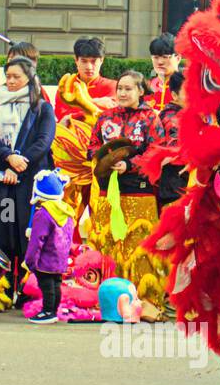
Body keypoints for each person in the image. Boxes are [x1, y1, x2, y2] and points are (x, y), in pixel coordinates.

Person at [86, 70, 168, 312]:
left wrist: (129, 164)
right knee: (107, 244)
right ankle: (105, 299)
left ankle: (143, 301)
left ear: (141, 91)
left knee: (138, 247)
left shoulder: (150, 118)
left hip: (139, 194)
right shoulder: (104, 118)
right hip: (108, 193)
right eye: (120, 88)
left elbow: (157, 151)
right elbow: (92, 147)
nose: (122, 93)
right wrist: (103, 159)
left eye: (128, 89)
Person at [0, 55, 56, 310]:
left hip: (30, 183)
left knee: (29, 235)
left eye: (17, 77)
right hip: (2, 181)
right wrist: (8, 158)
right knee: (0, 232)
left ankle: (28, 291)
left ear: (29, 78)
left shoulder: (42, 108)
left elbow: (43, 142)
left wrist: (20, 162)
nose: (11, 81)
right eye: (8, 77)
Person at [53, 36, 118, 221]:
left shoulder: (111, 86)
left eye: (94, 61)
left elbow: (108, 113)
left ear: (102, 61)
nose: (89, 66)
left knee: (101, 213)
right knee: (67, 213)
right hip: (73, 161)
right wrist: (95, 104)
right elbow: (62, 119)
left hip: (101, 159)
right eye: (84, 61)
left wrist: (80, 110)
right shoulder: (66, 88)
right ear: (76, 61)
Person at [23, 169, 76, 325]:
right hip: (60, 257)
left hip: (45, 257)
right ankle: (53, 310)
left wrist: (30, 260)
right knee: (56, 284)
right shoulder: (67, 212)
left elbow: (37, 239)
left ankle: (47, 311)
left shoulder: (43, 214)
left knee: (46, 285)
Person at [154, 70, 189, 213]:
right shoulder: (172, 116)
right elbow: (174, 146)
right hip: (175, 185)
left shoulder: (189, 113)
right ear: (174, 95)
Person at [147, 32, 181, 113]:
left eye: (165, 57)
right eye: (156, 57)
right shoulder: (147, 88)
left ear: (178, 58)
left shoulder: (187, 87)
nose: (160, 62)